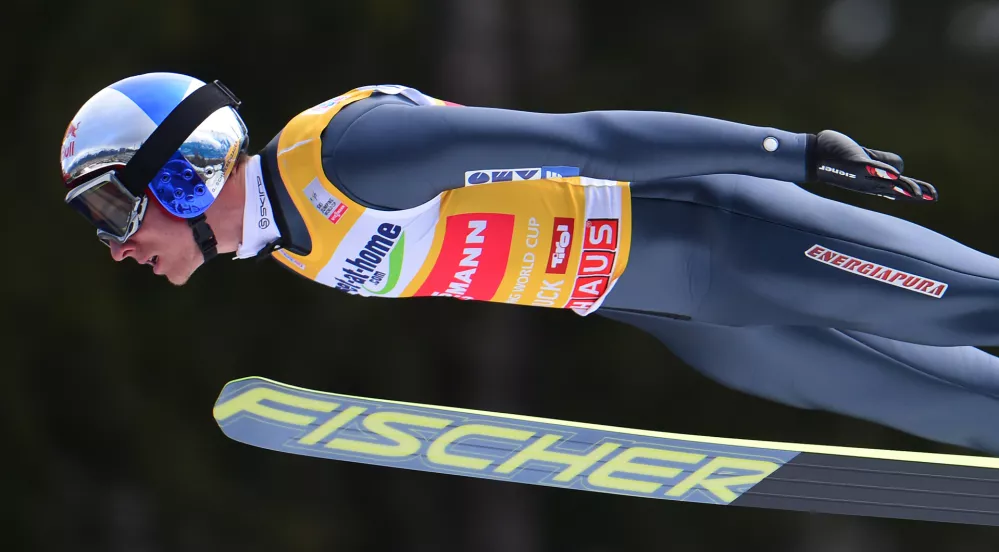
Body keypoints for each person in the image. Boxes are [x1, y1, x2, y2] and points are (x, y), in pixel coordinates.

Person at [59, 72, 999, 456]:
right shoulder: (297, 250)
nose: (116, 244)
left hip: (725, 235)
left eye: (112, 206)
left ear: (185, 168)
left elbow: (582, 142)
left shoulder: (344, 156)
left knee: (972, 308)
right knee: (954, 407)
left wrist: (782, 152)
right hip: (682, 316)